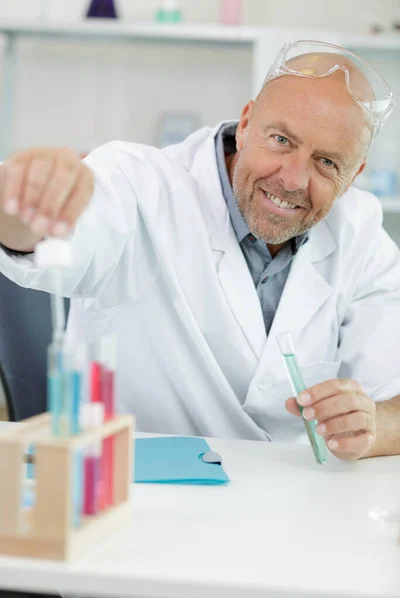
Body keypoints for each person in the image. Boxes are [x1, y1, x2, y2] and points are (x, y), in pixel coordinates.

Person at [0, 40, 399, 463]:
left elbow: (393, 397)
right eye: (281, 140)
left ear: (353, 174)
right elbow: (45, 237)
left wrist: (374, 425)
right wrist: (22, 202)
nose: (294, 179)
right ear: (246, 125)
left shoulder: (360, 230)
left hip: (291, 505)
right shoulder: (138, 183)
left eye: (327, 163)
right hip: (138, 496)